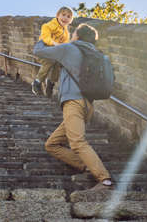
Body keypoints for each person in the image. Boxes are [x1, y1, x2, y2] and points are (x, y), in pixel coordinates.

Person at [33, 23, 113, 189]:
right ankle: (87, 166)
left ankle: (104, 179)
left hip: (73, 103)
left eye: (74, 32)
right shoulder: (95, 53)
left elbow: (38, 52)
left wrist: (44, 36)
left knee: (77, 142)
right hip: (88, 105)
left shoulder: (69, 49)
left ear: (77, 35)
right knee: (52, 145)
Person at [31, 6, 73, 98]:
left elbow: (65, 45)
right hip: (43, 50)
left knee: (58, 63)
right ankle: (37, 82)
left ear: (70, 20)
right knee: (49, 61)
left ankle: (51, 83)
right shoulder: (48, 26)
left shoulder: (66, 33)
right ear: (57, 15)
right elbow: (45, 38)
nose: (65, 18)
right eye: (63, 15)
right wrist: (55, 44)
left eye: (69, 16)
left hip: (54, 53)